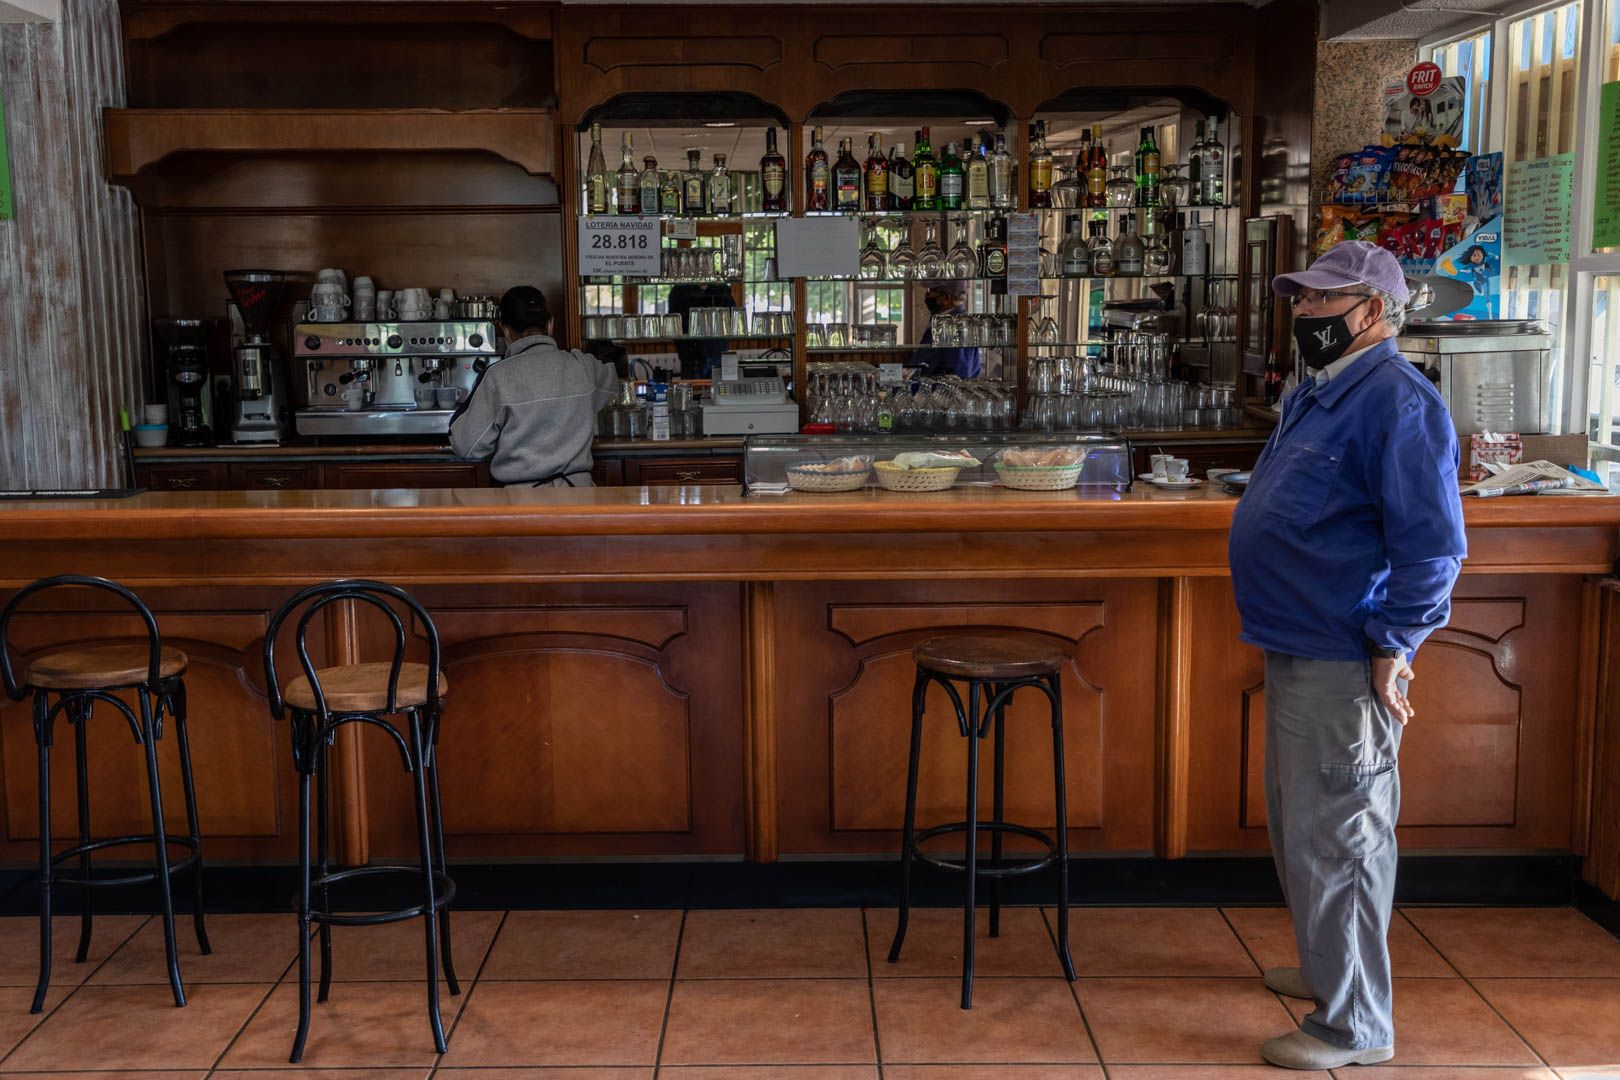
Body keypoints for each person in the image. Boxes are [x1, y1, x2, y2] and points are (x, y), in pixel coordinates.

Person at [1228, 240, 1467, 1071]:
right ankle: (1328, 971)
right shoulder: (1323, 392)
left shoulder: (1399, 401)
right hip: (1296, 639)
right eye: (1301, 301)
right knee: (1305, 827)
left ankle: (1353, 1023)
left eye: (1324, 302)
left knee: (1342, 838)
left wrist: (1393, 644)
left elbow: (1433, 548)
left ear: (1373, 313)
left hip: (1342, 648)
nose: (1305, 314)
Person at [449, 286, 618, 487]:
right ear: (550, 324)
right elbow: (613, 384)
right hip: (579, 497)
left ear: (506, 331)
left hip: (522, 503)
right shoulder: (583, 365)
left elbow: (467, 445)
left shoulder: (498, 376)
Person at [911, 282, 983, 379]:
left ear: (946, 298)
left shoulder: (956, 327)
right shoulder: (943, 320)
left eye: (931, 291)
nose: (927, 295)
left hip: (937, 393)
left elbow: (957, 377)